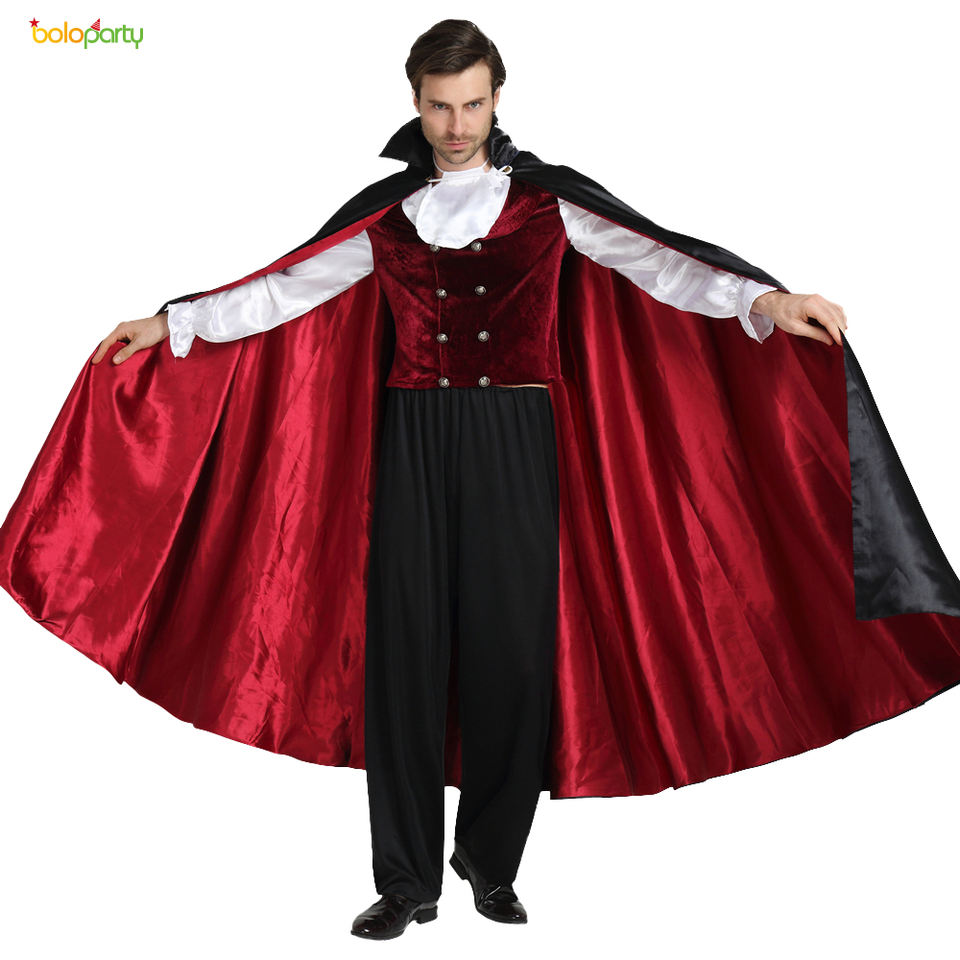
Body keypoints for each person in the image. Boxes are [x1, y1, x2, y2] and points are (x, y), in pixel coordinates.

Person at [5, 18, 960, 944]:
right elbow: (279, 290)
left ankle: (491, 862)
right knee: (405, 657)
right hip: (413, 434)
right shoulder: (386, 216)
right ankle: (404, 881)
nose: (456, 124)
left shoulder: (549, 204)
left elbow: (665, 264)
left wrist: (767, 299)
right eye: (438, 105)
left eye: (470, 104)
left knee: (513, 654)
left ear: (497, 98)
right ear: (414, 103)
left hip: (516, 437)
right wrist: (169, 323)